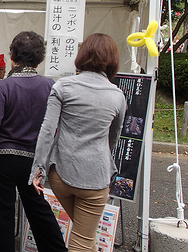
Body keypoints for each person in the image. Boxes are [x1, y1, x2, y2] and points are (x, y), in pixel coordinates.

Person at [30, 33, 127, 252]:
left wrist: (38, 168)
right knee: (82, 240)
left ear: (82, 55)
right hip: (95, 178)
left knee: (86, 236)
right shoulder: (118, 95)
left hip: (61, 175)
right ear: (113, 60)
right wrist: (101, 156)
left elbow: (47, 130)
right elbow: (115, 136)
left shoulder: (63, 86)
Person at [0, 31, 67, 252]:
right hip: (34, 157)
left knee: (3, 213)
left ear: (12, 56)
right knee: (38, 208)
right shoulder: (50, 86)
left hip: (2, 159)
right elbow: (55, 127)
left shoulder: (2, 87)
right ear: (40, 58)